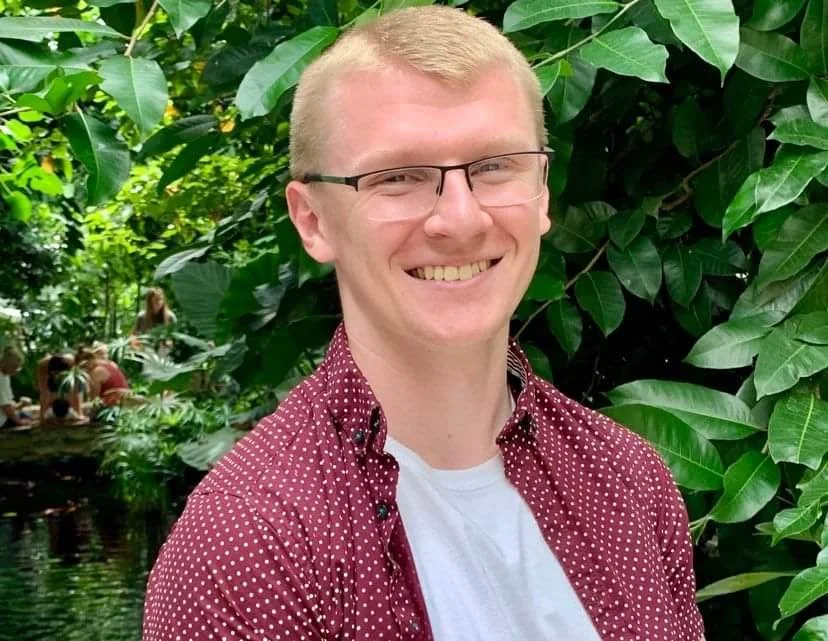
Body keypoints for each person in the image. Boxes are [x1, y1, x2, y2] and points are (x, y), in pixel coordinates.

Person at [143, 7, 705, 641]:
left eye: (495, 165)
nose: (460, 220)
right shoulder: (249, 544)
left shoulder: (627, 478)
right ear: (313, 221)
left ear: (543, 191)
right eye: (399, 177)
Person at [37, 353, 86, 422]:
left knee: (76, 388)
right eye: (55, 374)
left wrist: (79, 414)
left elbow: (75, 391)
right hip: (49, 371)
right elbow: (43, 391)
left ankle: (79, 413)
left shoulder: (72, 363)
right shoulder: (43, 365)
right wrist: (42, 415)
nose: (57, 377)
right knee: (47, 393)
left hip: (71, 372)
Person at [0, 345, 32, 428]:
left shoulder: (5, 376)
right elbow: (6, 407)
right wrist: (20, 422)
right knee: (27, 416)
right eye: (14, 367)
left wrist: (21, 404)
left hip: (4, 415)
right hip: (2, 421)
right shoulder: (1, 379)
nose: (16, 370)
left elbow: (8, 404)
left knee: (26, 414)